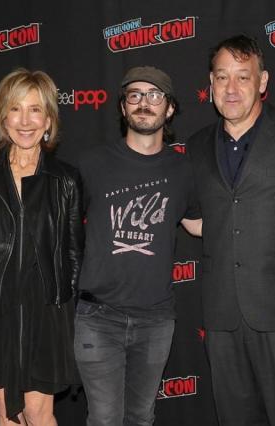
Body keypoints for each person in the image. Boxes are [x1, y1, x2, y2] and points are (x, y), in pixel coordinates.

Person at [186, 34, 275, 426]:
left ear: (262, 82)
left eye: (242, 77)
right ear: (210, 83)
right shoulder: (196, 146)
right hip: (222, 314)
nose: (231, 88)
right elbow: (198, 219)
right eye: (222, 77)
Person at [74, 66, 202, 426]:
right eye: (135, 95)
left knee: (141, 417)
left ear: (170, 108)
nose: (144, 102)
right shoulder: (92, 164)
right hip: (98, 317)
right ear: (123, 106)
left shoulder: (183, 169)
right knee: (104, 419)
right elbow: (62, 227)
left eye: (154, 95)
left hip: (155, 318)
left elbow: (197, 224)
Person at [0, 68, 82, 426]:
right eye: (15, 109)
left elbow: (74, 254)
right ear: (2, 117)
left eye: (35, 109)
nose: (25, 121)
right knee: (6, 414)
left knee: (38, 413)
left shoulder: (65, 179)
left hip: (46, 311)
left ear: (48, 119)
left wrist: (67, 312)